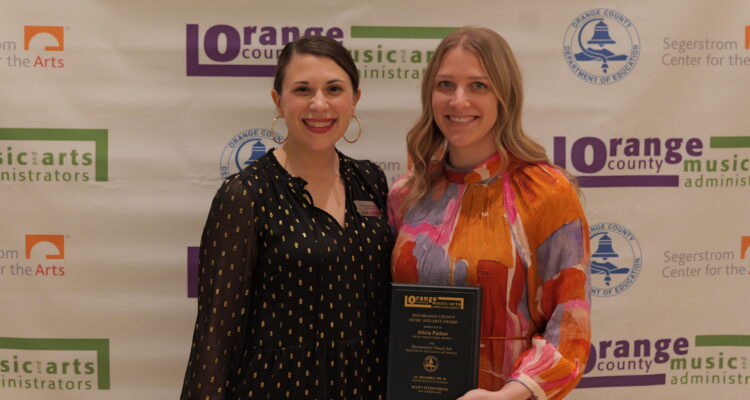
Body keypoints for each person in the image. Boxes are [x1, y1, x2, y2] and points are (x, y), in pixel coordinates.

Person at [181, 35, 393, 400]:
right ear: (278, 101)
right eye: (303, 90)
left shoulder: (370, 180)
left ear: (355, 99)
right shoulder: (245, 196)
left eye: (334, 88)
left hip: (366, 385)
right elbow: (215, 335)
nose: (319, 104)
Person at [388, 27, 591, 400]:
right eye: (445, 84)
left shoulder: (546, 192)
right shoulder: (407, 194)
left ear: (504, 96)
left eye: (478, 86)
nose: (458, 100)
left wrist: (506, 396)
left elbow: (570, 326)